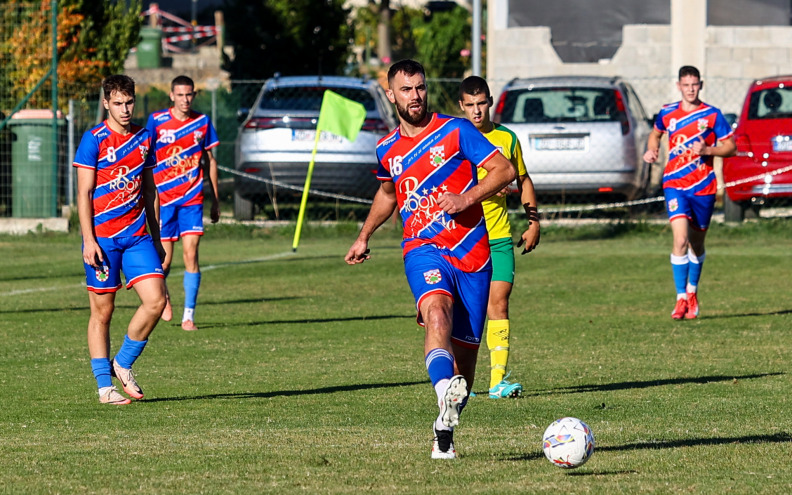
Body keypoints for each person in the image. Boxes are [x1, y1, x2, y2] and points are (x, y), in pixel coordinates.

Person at [344, 60, 517, 459]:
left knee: (466, 367)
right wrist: (364, 235)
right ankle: (443, 391)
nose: (415, 96)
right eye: (406, 90)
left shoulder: (457, 131)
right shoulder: (386, 148)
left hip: (473, 255)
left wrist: (466, 198)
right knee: (436, 313)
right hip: (423, 248)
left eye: (420, 87)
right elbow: (388, 193)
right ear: (391, 94)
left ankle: (444, 428)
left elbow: (504, 169)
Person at [74, 74, 167, 405]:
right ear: (106, 103)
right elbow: (84, 193)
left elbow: (150, 191)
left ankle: (123, 362)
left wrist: (157, 238)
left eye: (129, 102)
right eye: (117, 103)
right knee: (103, 312)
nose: (125, 109)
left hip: (138, 237)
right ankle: (105, 388)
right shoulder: (94, 139)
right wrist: (89, 241)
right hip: (103, 240)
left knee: (156, 301)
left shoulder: (145, 138)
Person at [457, 76, 540, 399]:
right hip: (465, 240)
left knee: (499, 303)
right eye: (470, 105)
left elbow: (523, 179)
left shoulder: (507, 138)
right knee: (467, 312)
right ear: (462, 106)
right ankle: (459, 381)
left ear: (490, 102)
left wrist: (533, 222)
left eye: (482, 103)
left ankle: (497, 382)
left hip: (500, 237)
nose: (477, 111)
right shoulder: (455, 138)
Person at [644, 66, 735, 320]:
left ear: (700, 85)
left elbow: (731, 147)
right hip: (675, 184)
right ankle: (680, 298)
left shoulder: (712, 115)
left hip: (703, 186)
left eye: (694, 84)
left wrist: (708, 151)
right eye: (686, 85)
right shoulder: (667, 112)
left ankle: (692, 291)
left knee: (696, 244)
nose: (690, 89)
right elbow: (655, 134)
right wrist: (652, 150)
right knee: (680, 240)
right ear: (679, 86)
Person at [145, 75, 220, 331]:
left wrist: (215, 200)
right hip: (164, 200)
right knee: (164, 261)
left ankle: (189, 316)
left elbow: (210, 161)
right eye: (180, 95)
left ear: (194, 95)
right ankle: (163, 294)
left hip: (192, 199)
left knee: (191, 254)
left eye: (189, 95)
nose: (185, 100)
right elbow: (145, 157)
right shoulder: (157, 121)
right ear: (171, 96)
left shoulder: (202, 122)